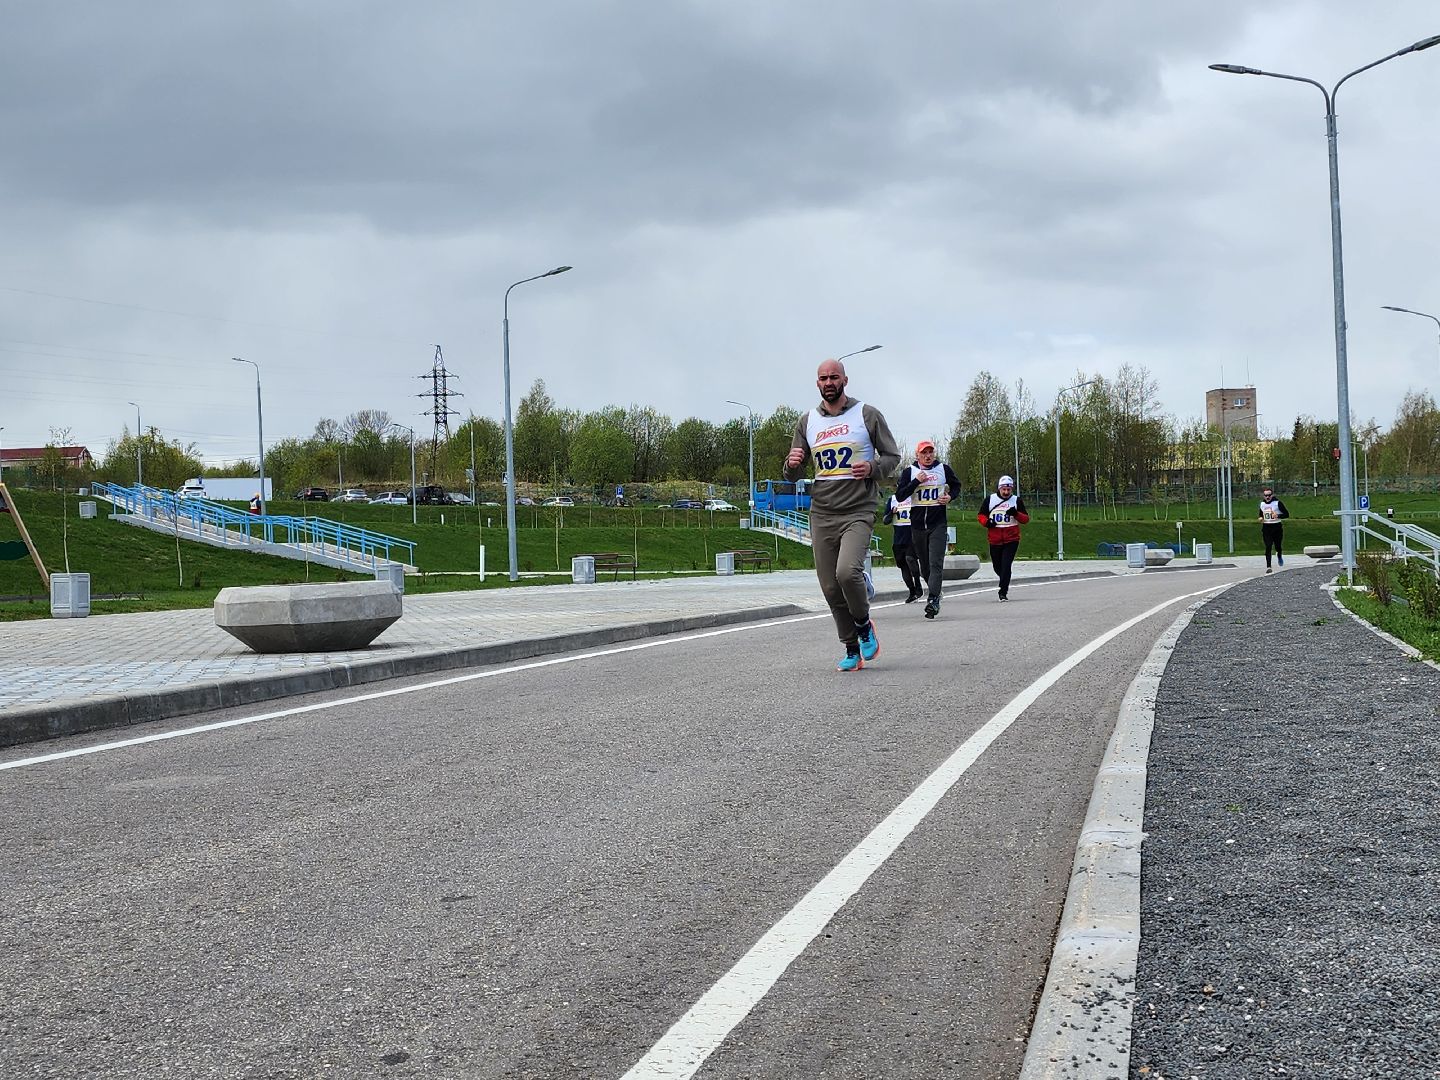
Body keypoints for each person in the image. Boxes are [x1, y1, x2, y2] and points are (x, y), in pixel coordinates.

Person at [784, 358, 900, 672]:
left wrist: (873, 468)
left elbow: (893, 456)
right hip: (821, 511)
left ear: (845, 380)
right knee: (829, 585)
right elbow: (792, 474)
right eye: (823, 378)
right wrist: (792, 464)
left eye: (834, 377)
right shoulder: (806, 421)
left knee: (847, 572)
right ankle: (851, 647)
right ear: (817, 383)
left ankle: (863, 626)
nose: (829, 382)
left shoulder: (867, 415)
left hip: (858, 509)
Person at [894, 439, 961, 619]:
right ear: (918, 455)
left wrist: (950, 497)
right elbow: (900, 496)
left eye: (930, 452)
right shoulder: (910, 472)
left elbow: (957, 486)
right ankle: (935, 590)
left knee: (935, 562)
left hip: (938, 523)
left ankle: (932, 600)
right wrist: (916, 481)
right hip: (917, 526)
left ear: (934, 454)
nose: (928, 456)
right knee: (925, 567)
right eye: (924, 453)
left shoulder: (944, 469)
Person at [977, 475, 1028, 601]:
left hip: (1012, 539)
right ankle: (1005, 578)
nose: (1006, 492)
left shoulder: (1017, 501)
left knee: (1006, 565)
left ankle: (1003, 591)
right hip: (995, 539)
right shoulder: (990, 500)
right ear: (999, 488)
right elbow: (981, 515)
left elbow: (1025, 519)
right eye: (1004, 489)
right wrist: (987, 523)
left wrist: (1016, 514)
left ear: (1012, 489)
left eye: (1008, 490)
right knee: (997, 566)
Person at [883, 492, 923, 603]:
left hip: (912, 537)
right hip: (898, 539)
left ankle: (918, 584)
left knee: (910, 559)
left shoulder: (914, 498)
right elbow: (885, 520)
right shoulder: (893, 499)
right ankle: (912, 592)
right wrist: (892, 513)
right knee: (903, 566)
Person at [1259, 486, 1289, 573]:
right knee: (1268, 546)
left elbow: (1287, 514)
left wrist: (1278, 515)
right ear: (1263, 496)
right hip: (1266, 527)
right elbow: (1261, 514)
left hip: (1277, 527)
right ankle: (1269, 566)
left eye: (1269, 495)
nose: (1267, 497)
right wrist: (1260, 518)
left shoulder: (1277, 503)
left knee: (1278, 546)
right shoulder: (1262, 504)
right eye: (1265, 495)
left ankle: (1279, 554)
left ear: (1272, 495)